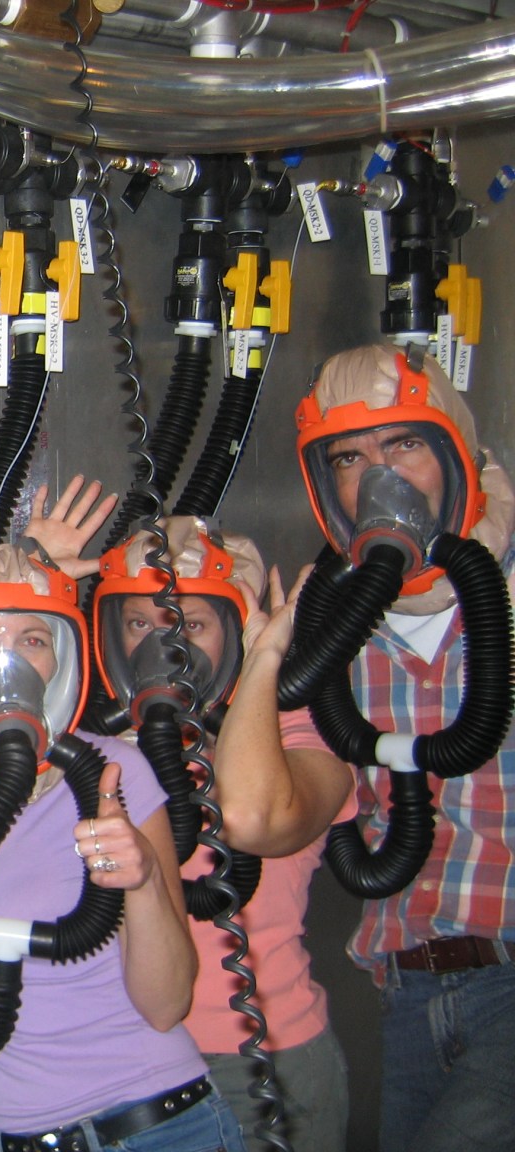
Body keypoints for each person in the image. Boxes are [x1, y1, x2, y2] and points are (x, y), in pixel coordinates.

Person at [0, 543, 244, 1152]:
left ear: (60, 660)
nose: (5, 662)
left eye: (33, 640)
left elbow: (168, 1004)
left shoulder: (113, 773)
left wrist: (141, 882)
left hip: (152, 1129)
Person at [275, 343, 514, 1152]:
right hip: (406, 987)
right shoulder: (330, 620)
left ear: (456, 451)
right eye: (350, 456)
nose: (378, 475)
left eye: (404, 444)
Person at [97, 517, 352, 1152]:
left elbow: (252, 817)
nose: (164, 647)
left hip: (264, 1066)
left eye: (192, 623)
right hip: (131, 1069)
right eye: (140, 624)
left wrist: (264, 662)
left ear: (238, 626)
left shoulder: (300, 730)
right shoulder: (100, 743)